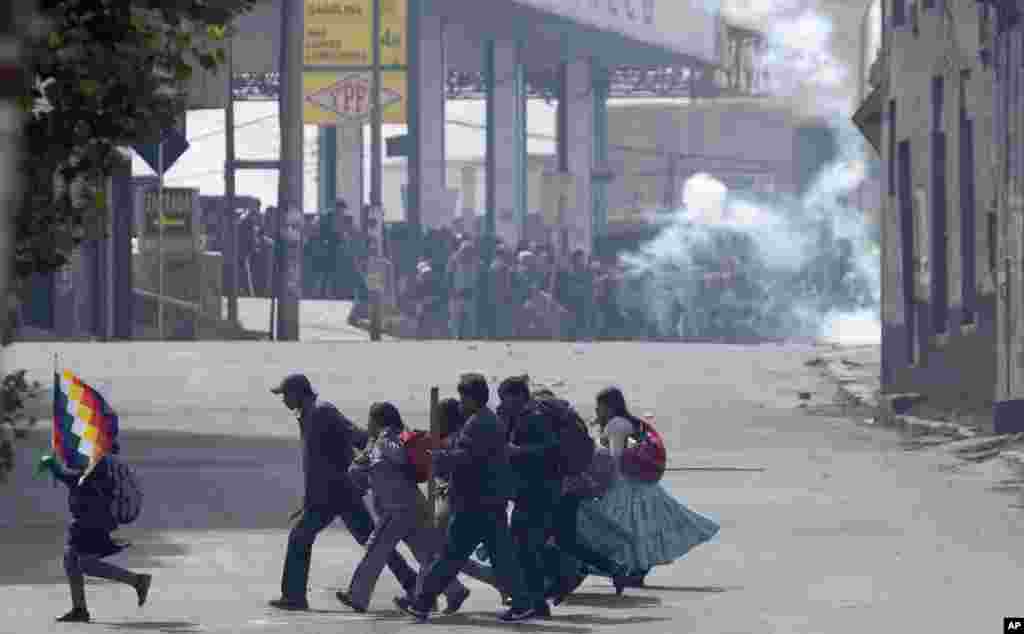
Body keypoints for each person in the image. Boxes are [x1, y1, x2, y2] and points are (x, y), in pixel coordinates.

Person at [268, 374, 420, 611]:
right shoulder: (308, 415)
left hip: (335, 492)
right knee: (373, 542)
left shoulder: (322, 412)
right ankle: (412, 582)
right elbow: (315, 463)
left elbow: (356, 435)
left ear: (298, 393)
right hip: (333, 492)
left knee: (299, 537)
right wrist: (307, 499)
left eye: (285, 394)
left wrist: (375, 453)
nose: (283, 400)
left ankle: (294, 596)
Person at [394, 374, 537, 622]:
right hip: (489, 501)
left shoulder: (477, 423)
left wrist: (440, 457)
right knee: (502, 558)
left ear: (472, 398)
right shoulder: (487, 420)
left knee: (449, 556)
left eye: (463, 397)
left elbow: (467, 458)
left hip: (475, 502)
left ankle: (421, 603)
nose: (461, 402)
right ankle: (523, 603)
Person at [576, 387, 720, 586]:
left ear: (608, 406)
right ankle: (636, 568)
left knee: (617, 527)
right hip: (640, 483)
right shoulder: (629, 422)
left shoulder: (616, 424)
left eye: (599, 406)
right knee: (640, 527)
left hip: (625, 486)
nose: (597, 410)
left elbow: (615, 458)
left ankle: (625, 568)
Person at [342, 402, 471, 614]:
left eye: (370, 420)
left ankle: (357, 597)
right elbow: (371, 475)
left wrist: (376, 447)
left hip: (399, 508)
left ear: (378, 421)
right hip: (410, 505)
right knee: (425, 553)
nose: (368, 424)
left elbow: (399, 457)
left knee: (375, 549)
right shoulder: (387, 440)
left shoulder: (387, 439)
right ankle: (454, 590)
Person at [40, 443, 152, 623]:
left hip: (94, 522)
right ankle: (79, 610)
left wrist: (54, 466)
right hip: (84, 520)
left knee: (87, 564)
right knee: (70, 561)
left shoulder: (100, 464)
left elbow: (76, 481)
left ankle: (137, 581)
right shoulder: (97, 462)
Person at [496, 376, 561, 616]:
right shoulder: (522, 417)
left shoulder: (534, 417)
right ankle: (537, 602)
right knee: (525, 548)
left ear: (516, 397)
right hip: (532, 492)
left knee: (523, 548)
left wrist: (519, 451)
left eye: (505, 398)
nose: (503, 403)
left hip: (538, 493)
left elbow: (551, 449)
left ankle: (534, 602)